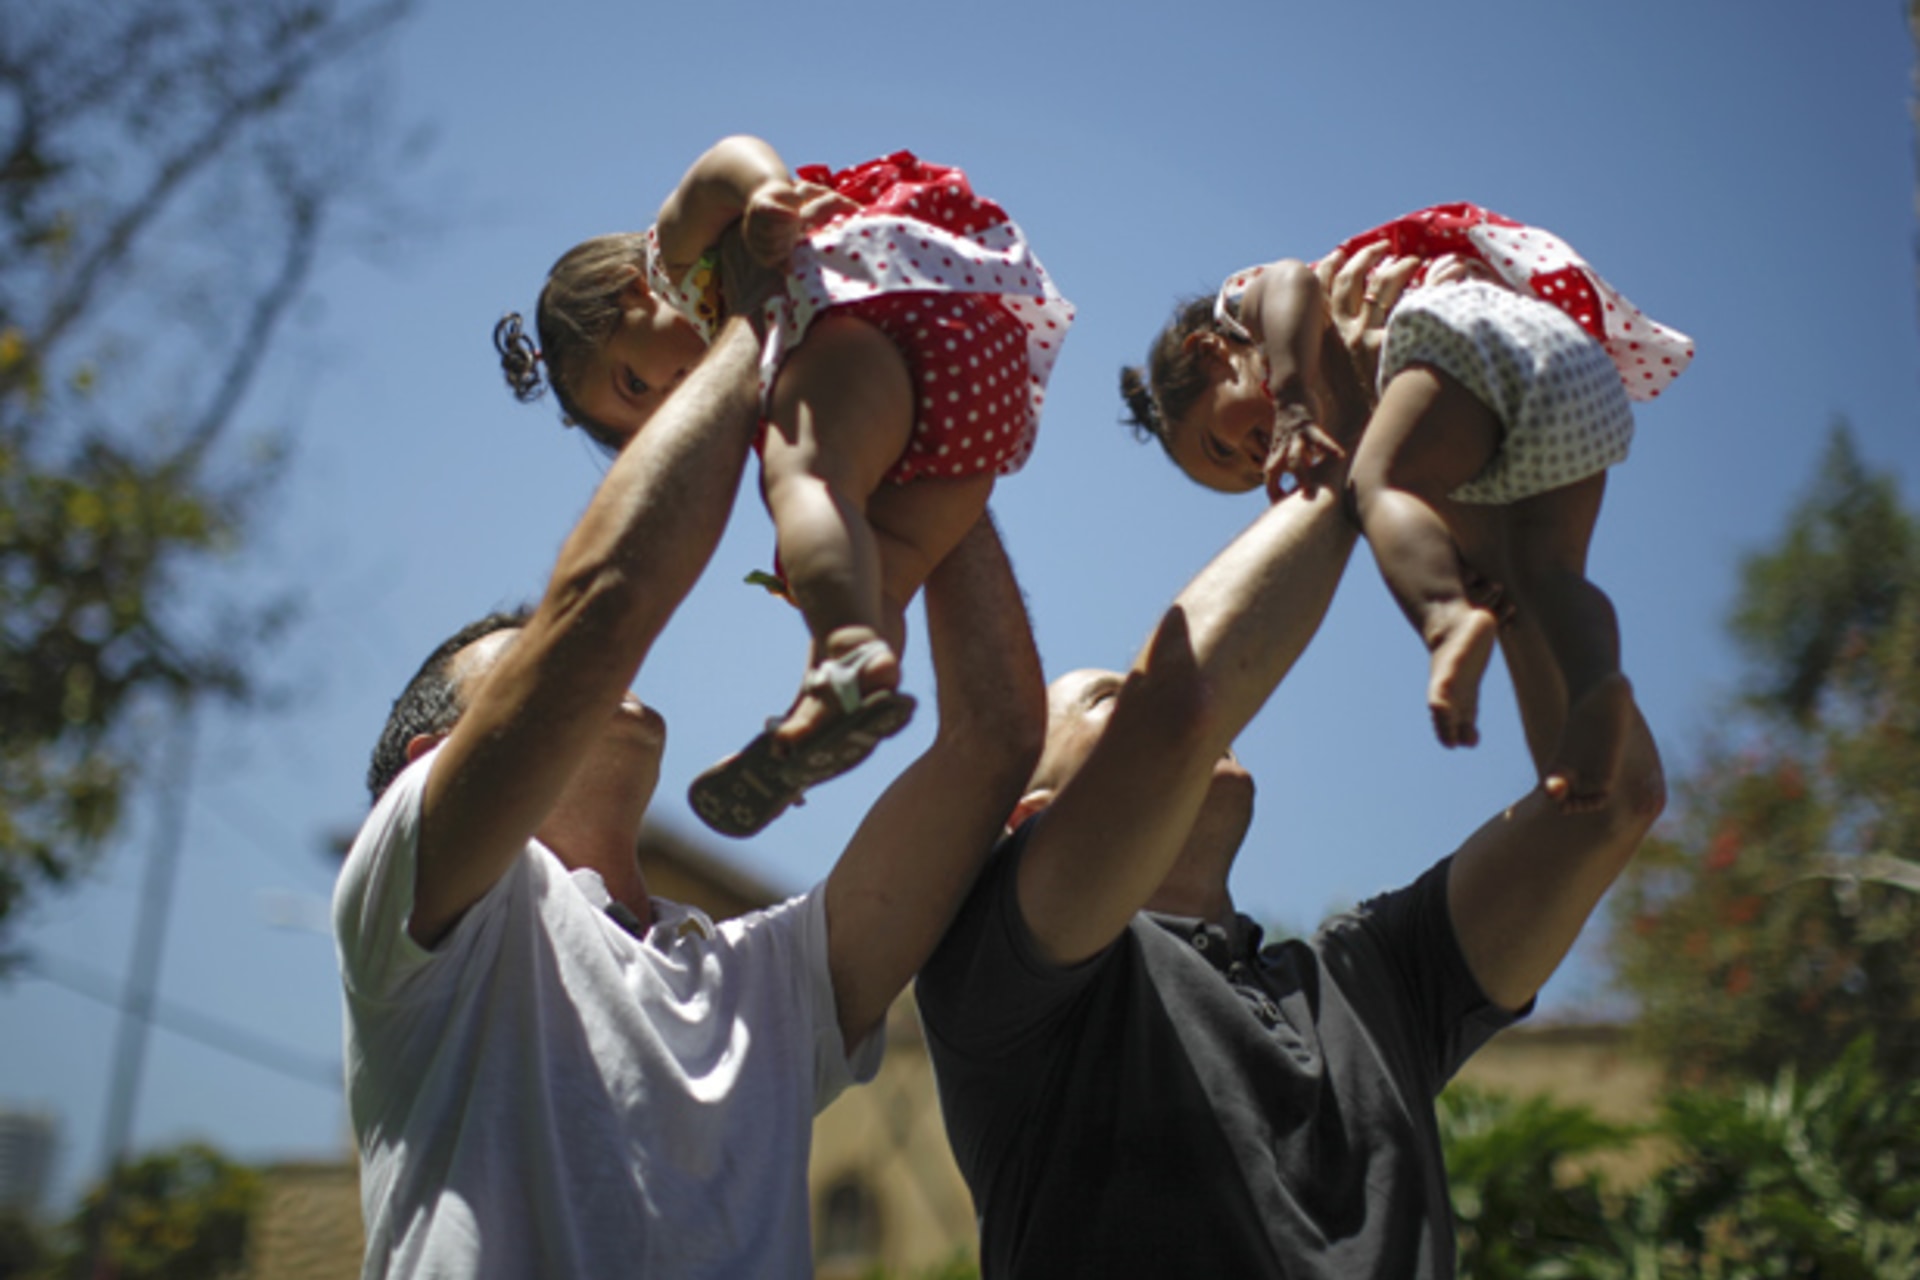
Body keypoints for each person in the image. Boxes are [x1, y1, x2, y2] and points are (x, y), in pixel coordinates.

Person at [917, 249, 1667, 1277]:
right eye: (1105, 702)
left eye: (1124, 693)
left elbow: (1612, 801)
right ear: (1029, 819)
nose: (1139, 702)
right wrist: (1356, 433)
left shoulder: (1373, 984)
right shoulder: (999, 986)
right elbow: (1181, 705)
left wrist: (1502, 542)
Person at [335, 270, 1046, 1278]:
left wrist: (904, 417)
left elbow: (995, 737)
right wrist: (766, 312)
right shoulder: (414, 918)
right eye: (521, 646)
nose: (572, 657)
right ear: (428, 763)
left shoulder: (761, 981)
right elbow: (602, 607)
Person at [494, 134, 1073, 836]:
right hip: (984, 390)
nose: (671, 394)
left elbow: (719, 165)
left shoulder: (677, 264)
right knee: (882, 564)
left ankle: (846, 650)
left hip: (879, 303)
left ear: (632, 290)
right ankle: (829, 705)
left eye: (634, 380)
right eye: (647, 410)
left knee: (804, 478)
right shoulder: (752, 368)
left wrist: (765, 189)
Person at [1119, 204, 1692, 809]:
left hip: (1466, 326)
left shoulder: (1246, 309)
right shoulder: (1365, 387)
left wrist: (1292, 401)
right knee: (1546, 574)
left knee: (1376, 488)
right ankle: (1595, 683)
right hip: (1579, 377)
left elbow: (1291, 278)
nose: (1255, 460)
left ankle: (1445, 617)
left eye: (1221, 443)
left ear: (1212, 353)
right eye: (1242, 476)